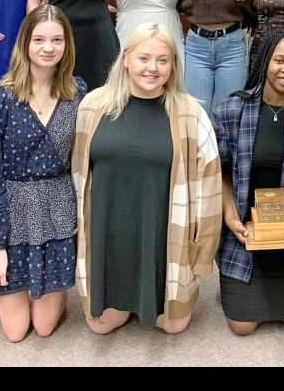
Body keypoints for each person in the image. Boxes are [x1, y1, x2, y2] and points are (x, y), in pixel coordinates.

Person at [72, 23, 222, 336]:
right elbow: (77, 176)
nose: (152, 68)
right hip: (107, 229)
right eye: (144, 58)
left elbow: (210, 188)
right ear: (125, 59)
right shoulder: (91, 106)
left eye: (163, 60)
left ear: (174, 65)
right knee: (100, 326)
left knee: (173, 325)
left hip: (165, 232)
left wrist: (202, 252)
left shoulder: (191, 114)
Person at [0, 5, 87, 342]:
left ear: (67, 45)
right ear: (25, 43)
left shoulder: (78, 92)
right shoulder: (1, 97)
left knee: (46, 327)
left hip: (57, 209)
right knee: (17, 332)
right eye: (39, 39)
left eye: (56, 40)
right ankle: (25, 286)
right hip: (13, 212)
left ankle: (50, 294)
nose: (48, 48)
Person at [214, 30, 284, 335]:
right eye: (280, 60)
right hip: (247, 232)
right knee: (242, 326)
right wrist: (231, 216)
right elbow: (220, 172)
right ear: (264, 62)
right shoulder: (232, 111)